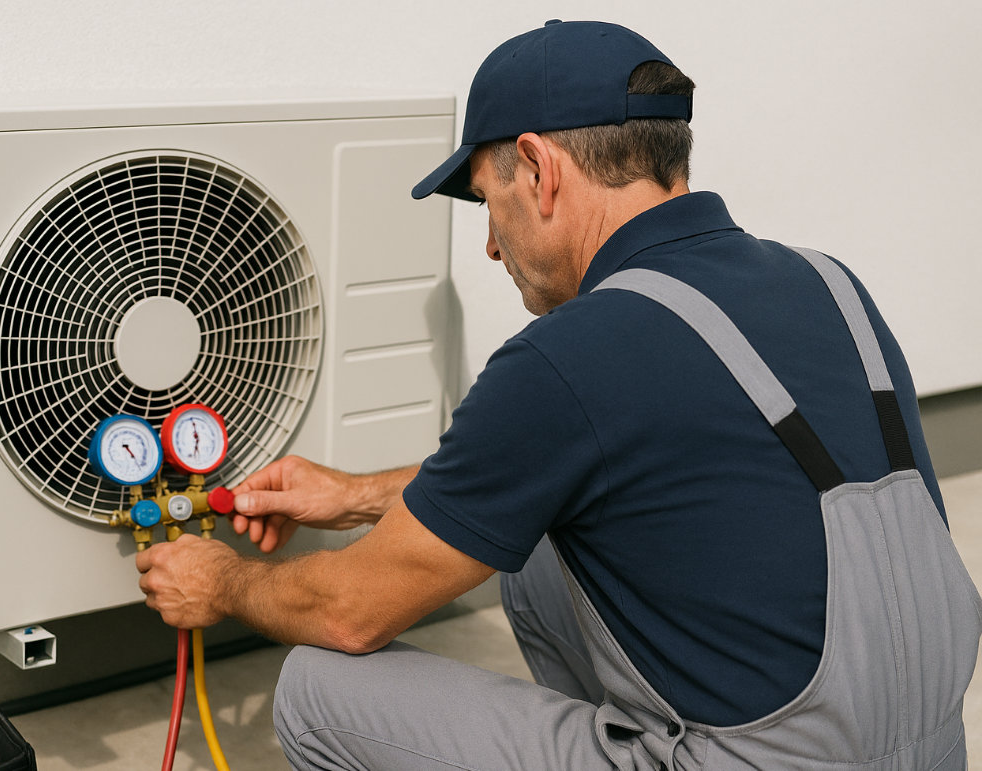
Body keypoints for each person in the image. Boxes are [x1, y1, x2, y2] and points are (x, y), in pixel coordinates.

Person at [137, 20, 982, 769]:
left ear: (537, 169)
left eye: (484, 199)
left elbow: (350, 611)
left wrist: (225, 584)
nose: (495, 247)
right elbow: (639, 460)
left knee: (316, 685)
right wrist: (354, 495)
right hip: (931, 745)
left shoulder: (573, 350)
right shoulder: (829, 283)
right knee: (539, 554)